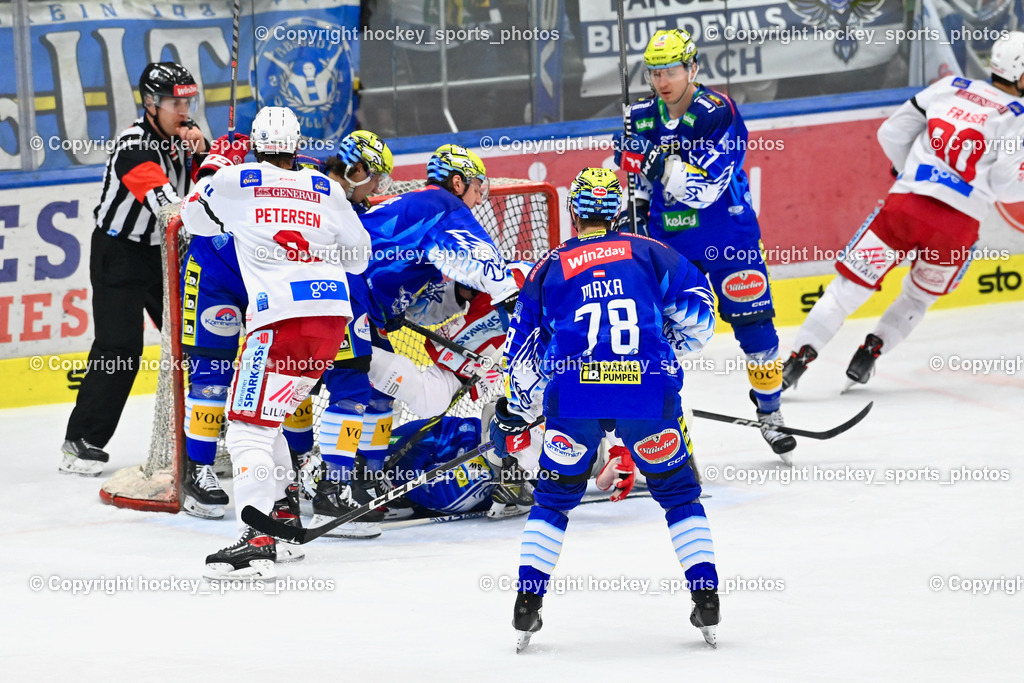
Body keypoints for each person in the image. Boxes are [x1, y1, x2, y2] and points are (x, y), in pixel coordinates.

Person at [490, 168, 721, 651]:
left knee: (553, 500)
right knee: (679, 493)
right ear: (615, 212)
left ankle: (526, 605)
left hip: (576, 394)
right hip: (646, 391)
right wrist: (660, 346)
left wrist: (514, 411)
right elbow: (702, 315)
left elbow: (522, 352)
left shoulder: (548, 266)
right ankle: (706, 596)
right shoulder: (649, 250)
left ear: (573, 213)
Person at [180, 106, 371, 578]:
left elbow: (191, 218)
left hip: (278, 321)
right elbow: (360, 257)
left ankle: (257, 534)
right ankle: (283, 519)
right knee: (272, 421)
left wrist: (215, 171)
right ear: (297, 146)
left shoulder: (237, 180)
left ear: (255, 144)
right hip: (330, 322)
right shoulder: (325, 187)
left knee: (246, 427)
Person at [782, 32, 1024, 390]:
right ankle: (871, 351)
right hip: (956, 227)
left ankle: (796, 363)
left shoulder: (950, 86)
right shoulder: (1017, 117)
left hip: (905, 206)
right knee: (917, 297)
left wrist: (907, 171)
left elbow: (891, 132)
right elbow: (1006, 188)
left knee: (847, 290)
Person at [307, 144, 519, 523]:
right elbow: (484, 256)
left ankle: (364, 481)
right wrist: (509, 296)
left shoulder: (420, 212)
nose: (477, 198)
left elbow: (416, 300)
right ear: (457, 182)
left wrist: (462, 292)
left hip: (357, 302)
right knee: (353, 390)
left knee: (378, 398)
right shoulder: (444, 205)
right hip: (343, 296)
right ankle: (331, 488)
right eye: (475, 188)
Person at [614, 29, 796, 462]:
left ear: (692, 69)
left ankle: (771, 413)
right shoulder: (639, 117)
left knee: (755, 328)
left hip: (730, 238)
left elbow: (705, 190)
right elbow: (637, 184)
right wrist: (634, 208)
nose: (662, 81)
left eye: (671, 70)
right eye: (655, 72)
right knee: (651, 337)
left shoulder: (718, 112)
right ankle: (661, 426)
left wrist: (655, 162)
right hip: (669, 245)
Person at [60, 62, 210, 476]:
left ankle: (205, 438)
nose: (184, 109)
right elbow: (168, 206)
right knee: (120, 349)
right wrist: (204, 161)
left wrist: (206, 155)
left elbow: (212, 186)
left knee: (196, 340)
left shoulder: (187, 137)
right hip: (120, 253)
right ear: (150, 103)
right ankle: (81, 440)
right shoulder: (133, 144)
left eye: (188, 100)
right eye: (175, 102)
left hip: (164, 254)